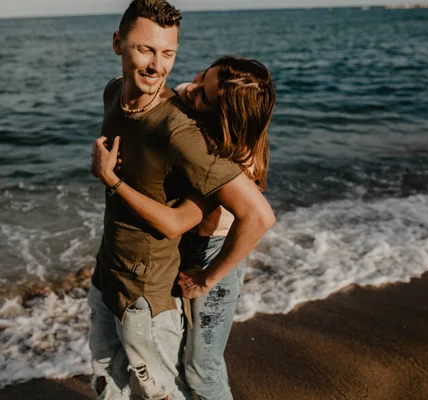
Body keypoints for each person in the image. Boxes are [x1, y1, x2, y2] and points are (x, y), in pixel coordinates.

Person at [88, 1, 275, 399]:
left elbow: (253, 216)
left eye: (168, 53)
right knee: (117, 372)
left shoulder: (191, 138)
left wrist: (207, 277)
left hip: (193, 265)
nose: (160, 67)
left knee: (198, 372)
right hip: (122, 268)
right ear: (118, 44)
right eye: (146, 49)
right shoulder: (115, 93)